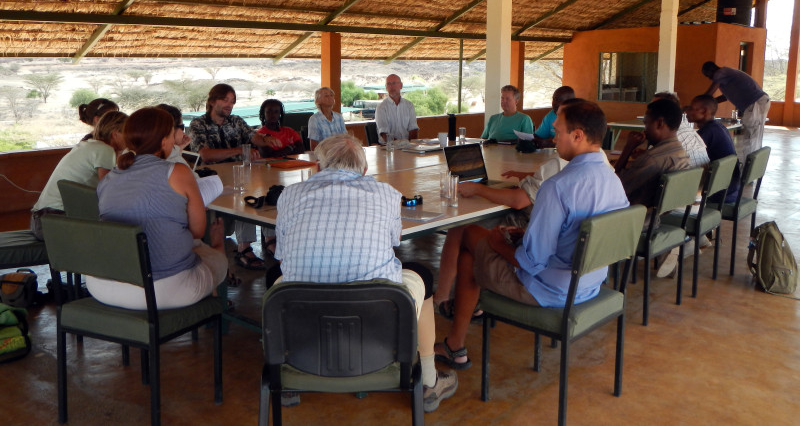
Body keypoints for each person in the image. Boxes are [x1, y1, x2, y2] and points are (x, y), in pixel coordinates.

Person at [434, 101, 629, 370]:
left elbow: (530, 262)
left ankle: (455, 344)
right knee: (473, 254)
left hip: (549, 289)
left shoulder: (558, 186)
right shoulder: (613, 181)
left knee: (470, 238)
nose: (553, 136)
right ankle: (454, 344)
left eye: (558, 131)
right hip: (589, 283)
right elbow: (574, 235)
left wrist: (496, 242)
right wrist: (526, 233)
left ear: (577, 136)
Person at [274, 134, 457, 412]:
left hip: (305, 318)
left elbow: (282, 254)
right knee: (421, 273)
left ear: (319, 167)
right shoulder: (387, 194)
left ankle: (287, 377)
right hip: (375, 319)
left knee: (277, 281)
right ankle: (429, 380)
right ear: (364, 170)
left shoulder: (288, 195)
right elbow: (393, 242)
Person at [89, 107, 228, 310]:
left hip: (102, 287)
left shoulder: (109, 177)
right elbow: (197, 231)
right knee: (217, 257)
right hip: (160, 291)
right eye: (173, 135)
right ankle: (217, 252)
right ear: (164, 141)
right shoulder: (178, 172)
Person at [189, 84, 268, 270]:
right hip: (212, 180)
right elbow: (205, 154)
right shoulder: (198, 125)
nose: (229, 105)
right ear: (211, 101)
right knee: (243, 196)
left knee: (251, 195)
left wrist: (266, 140)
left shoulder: (236, 121)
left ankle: (247, 246)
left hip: (239, 175)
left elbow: (253, 136)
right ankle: (232, 249)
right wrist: (239, 150)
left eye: (232, 102)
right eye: (225, 100)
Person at [615, 98, 690, 278]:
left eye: (646, 123)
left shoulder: (652, 159)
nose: (644, 129)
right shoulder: (681, 152)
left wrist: (627, 148)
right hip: (656, 219)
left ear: (659, 123)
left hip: (636, 222)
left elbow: (615, 188)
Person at [30, 110, 128, 240]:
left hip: (41, 220)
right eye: (128, 133)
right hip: (55, 221)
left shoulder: (88, 145)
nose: (130, 138)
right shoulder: (105, 149)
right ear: (115, 134)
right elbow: (109, 191)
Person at [701, 61, 770, 163]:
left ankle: (749, 168)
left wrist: (700, 102)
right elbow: (726, 96)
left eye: (708, 75)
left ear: (712, 70)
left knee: (750, 139)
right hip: (759, 102)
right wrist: (713, 102)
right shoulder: (726, 77)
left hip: (756, 104)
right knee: (754, 137)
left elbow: (708, 95)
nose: (709, 78)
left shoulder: (721, 73)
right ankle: (753, 167)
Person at [687, 94, 741, 203]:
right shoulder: (718, 127)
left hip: (719, 193)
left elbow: (685, 154)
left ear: (704, 112)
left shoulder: (707, 132)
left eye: (692, 109)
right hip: (731, 190)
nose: (687, 112)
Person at [652, 91, 709, 169]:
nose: (649, 110)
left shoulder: (668, 133)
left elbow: (650, 164)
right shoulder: (686, 129)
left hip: (687, 179)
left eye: (654, 108)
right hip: (701, 178)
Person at [375, 74, 419, 144]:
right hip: (388, 148)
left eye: (394, 83)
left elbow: (413, 128)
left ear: (401, 86)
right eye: (388, 84)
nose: (391, 87)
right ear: (386, 88)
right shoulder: (381, 107)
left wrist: (411, 145)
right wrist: (400, 144)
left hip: (408, 147)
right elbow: (384, 134)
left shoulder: (409, 105)